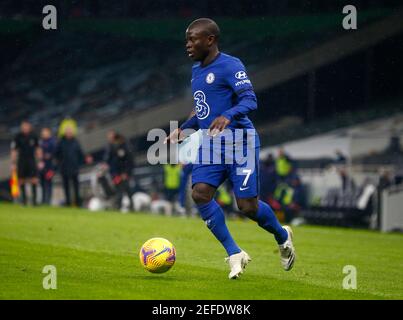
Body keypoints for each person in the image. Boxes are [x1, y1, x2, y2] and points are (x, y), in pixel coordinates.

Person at [165, 18, 295, 279]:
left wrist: (228, 115)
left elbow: (250, 99)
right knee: (200, 193)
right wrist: (185, 127)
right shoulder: (196, 70)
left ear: (210, 40)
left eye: (193, 39)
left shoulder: (230, 65)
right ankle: (235, 253)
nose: (188, 45)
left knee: (247, 207)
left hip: (240, 142)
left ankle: (283, 235)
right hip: (212, 144)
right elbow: (201, 107)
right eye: (187, 40)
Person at [55, 126, 92, 206]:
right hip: (64, 168)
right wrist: (59, 163)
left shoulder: (76, 142)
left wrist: (86, 159)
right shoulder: (61, 142)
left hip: (74, 167)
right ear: (65, 133)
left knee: (76, 186)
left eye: (70, 132)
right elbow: (56, 154)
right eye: (68, 132)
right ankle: (68, 202)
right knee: (66, 187)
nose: (69, 133)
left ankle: (77, 202)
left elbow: (80, 153)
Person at [10, 121, 41, 205]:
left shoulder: (34, 136)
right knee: (21, 180)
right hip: (21, 160)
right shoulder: (18, 136)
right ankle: (23, 201)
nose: (25, 128)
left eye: (26, 126)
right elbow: (14, 151)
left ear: (29, 127)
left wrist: (40, 161)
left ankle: (34, 201)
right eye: (23, 126)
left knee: (34, 180)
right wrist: (13, 163)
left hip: (31, 160)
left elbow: (38, 149)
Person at [103, 132, 134, 211]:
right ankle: (127, 206)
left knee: (123, 190)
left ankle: (120, 206)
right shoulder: (114, 148)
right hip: (118, 174)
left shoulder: (125, 148)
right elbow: (113, 162)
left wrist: (126, 173)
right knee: (125, 190)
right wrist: (115, 174)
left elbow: (129, 162)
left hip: (123, 174)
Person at [38, 127, 57, 205]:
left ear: (49, 133)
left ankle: (47, 201)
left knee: (48, 184)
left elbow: (55, 154)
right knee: (42, 184)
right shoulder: (40, 142)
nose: (43, 134)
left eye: (45, 132)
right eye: (43, 132)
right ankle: (43, 200)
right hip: (42, 167)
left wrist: (50, 156)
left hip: (49, 167)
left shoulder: (53, 142)